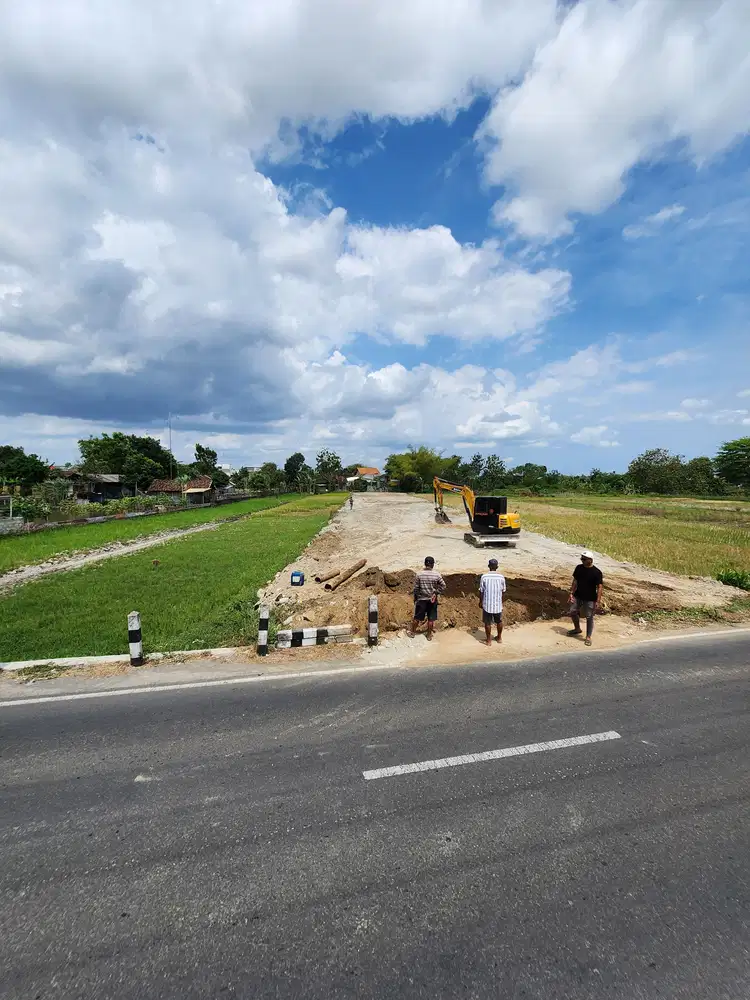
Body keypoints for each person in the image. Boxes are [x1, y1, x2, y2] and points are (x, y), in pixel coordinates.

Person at [568, 550, 603, 646]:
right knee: (572, 611)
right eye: (581, 559)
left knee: (589, 617)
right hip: (578, 595)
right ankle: (577, 629)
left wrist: (598, 601)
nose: (582, 560)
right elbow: (575, 581)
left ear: (590, 560)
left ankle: (588, 637)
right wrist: (571, 593)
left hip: (590, 598)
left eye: (584, 559)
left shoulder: (597, 572)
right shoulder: (579, 568)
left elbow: (599, 587)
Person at [408, 556, 446, 641]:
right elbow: (443, 586)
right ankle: (429, 635)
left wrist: (415, 598)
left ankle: (412, 633)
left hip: (421, 599)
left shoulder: (419, 574)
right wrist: (436, 593)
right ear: (432, 564)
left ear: (425, 564)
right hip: (432, 600)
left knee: (417, 617)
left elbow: (416, 588)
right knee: (431, 619)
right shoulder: (437, 574)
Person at [479, 558, 506, 646]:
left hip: (487, 604)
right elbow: (503, 591)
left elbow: (481, 591)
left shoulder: (484, 577)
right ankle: (499, 638)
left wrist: (480, 602)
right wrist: (501, 602)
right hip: (497, 604)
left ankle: (488, 641)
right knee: (499, 621)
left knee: (487, 623)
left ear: (488, 566)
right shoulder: (501, 577)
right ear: (497, 567)